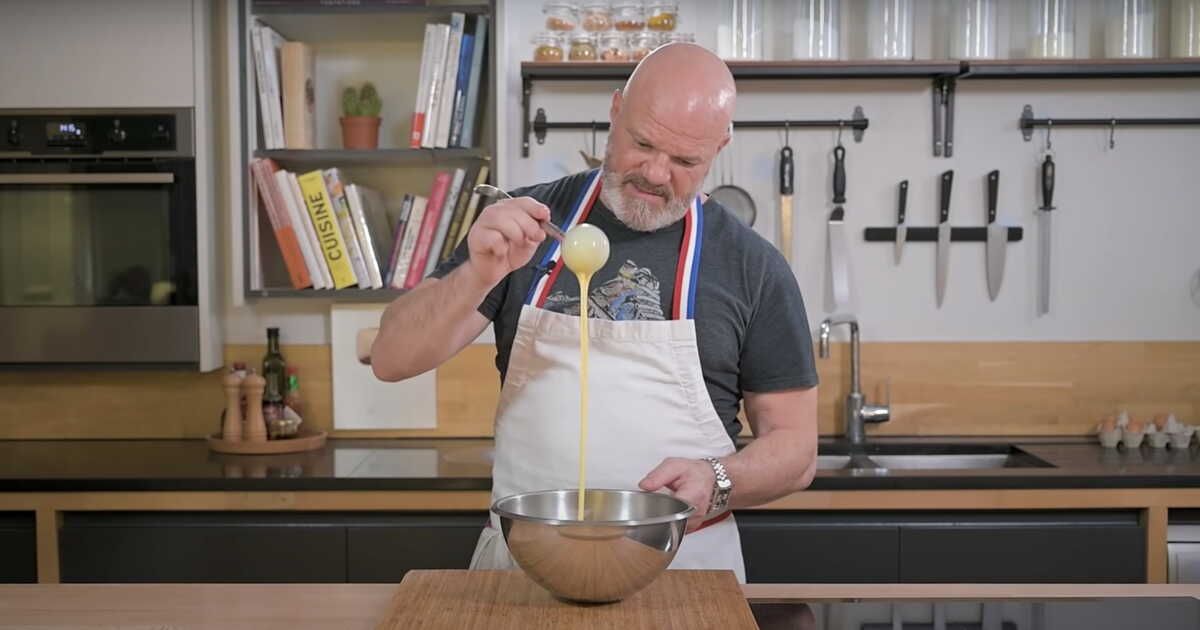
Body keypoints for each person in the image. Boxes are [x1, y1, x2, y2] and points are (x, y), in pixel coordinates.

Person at [371, 43, 818, 582]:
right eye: (643, 143)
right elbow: (391, 358)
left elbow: (796, 451)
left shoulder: (753, 266)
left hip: (684, 572)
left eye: (684, 161)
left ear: (720, 146)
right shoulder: (523, 226)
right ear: (615, 110)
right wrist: (476, 274)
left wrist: (719, 480)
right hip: (525, 569)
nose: (656, 173)